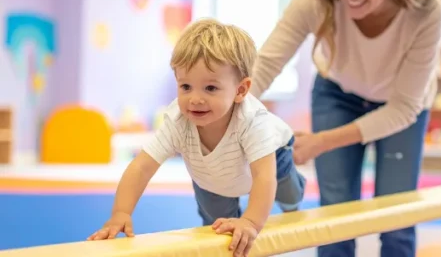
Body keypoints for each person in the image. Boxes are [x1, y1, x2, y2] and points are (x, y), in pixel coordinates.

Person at [250, 0, 441, 257]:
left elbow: (404, 108)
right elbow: (267, 62)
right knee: (336, 214)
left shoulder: (426, 11)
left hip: (401, 105)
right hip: (337, 92)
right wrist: (231, 109)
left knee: (397, 217)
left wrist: (321, 142)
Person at [88, 19, 306, 257]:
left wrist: (252, 222)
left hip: (275, 157)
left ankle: (295, 188)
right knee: (220, 231)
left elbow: (264, 175)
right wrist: (121, 212)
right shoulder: (178, 120)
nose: (195, 99)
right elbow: (141, 167)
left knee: (289, 196)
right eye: (186, 87)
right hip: (211, 177)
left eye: (210, 88)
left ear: (240, 90)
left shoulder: (252, 120)